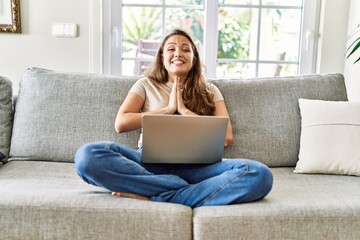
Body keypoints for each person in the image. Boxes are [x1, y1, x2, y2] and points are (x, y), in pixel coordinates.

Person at [74, 29, 273, 208]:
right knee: (87, 155)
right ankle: (181, 188)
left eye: (185, 49)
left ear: (194, 59)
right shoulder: (145, 84)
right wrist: (168, 110)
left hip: (199, 168)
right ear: (162, 58)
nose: (178, 53)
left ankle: (158, 195)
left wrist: (185, 112)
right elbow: (122, 123)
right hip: (148, 165)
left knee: (258, 174)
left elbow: (227, 137)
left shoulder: (210, 90)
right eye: (171, 49)